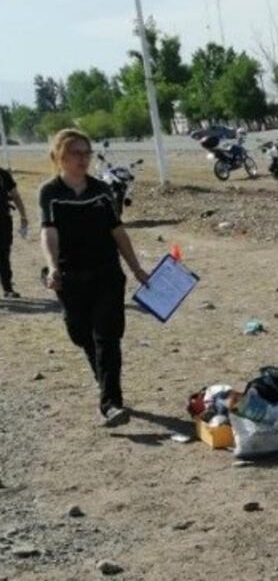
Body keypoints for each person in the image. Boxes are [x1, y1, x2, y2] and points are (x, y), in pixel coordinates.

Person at [39, 129, 150, 427]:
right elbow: (49, 232)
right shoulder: (50, 192)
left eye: (87, 153)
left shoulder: (101, 189)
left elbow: (117, 231)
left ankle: (111, 403)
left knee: (108, 338)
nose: (83, 159)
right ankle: (106, 387)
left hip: (107, 275)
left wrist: (136, 268)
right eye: (76, 153)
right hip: (70, 277)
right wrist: (52, 267)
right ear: (61, 156)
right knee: (82, 335)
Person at [0, 165, 29, 298]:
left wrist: (23, 216)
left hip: (3, 220)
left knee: (4, 254)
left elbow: (15, 196)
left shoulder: (3, 175)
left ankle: (8, 288)